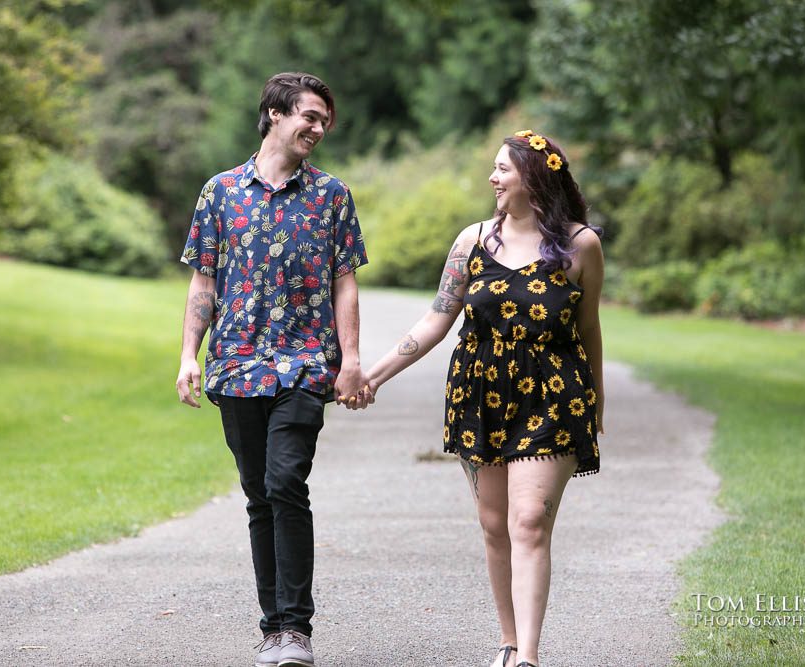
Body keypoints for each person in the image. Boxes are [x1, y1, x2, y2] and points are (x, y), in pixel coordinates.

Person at [362, 131, 604, 667]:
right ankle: (509, 640)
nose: (492, 178)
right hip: (480, 396)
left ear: (533, 178)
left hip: (554, 397)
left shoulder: (580, 245)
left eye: (502, 169)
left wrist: (598, 400)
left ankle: (529, 658)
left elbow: (588, 330)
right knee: (495, 525)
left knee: (529, 522)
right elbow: (435, 320)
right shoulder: (472, 242)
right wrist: (374, 377)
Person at [176, 72, 371, 667]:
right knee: (259, 494)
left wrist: (353, 359)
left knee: (287, 482)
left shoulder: (331, 195)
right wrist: (189, 354)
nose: (318, 128)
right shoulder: (220, 192)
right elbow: (203, 280)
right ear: (274, 113)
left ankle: (295, 631)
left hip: (306, 364)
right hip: (236, 364)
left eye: (324, 121)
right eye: (310, 116)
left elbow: (346, 282)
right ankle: (273, 629)